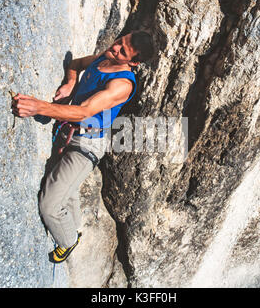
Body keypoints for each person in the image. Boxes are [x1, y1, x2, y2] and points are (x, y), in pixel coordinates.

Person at [12, 31, 154, 263]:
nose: (115, 48)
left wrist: (39, 107)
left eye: (123, 51)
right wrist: (70, 83)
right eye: (119, 41)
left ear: (134, 62)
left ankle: (68, 241)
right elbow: (76, 64)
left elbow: (83, 112)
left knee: (49, 205)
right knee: (64, 187)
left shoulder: (122, 84)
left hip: (87, 144)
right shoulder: (105, 57)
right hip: (69, 131)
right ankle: (72, 224)